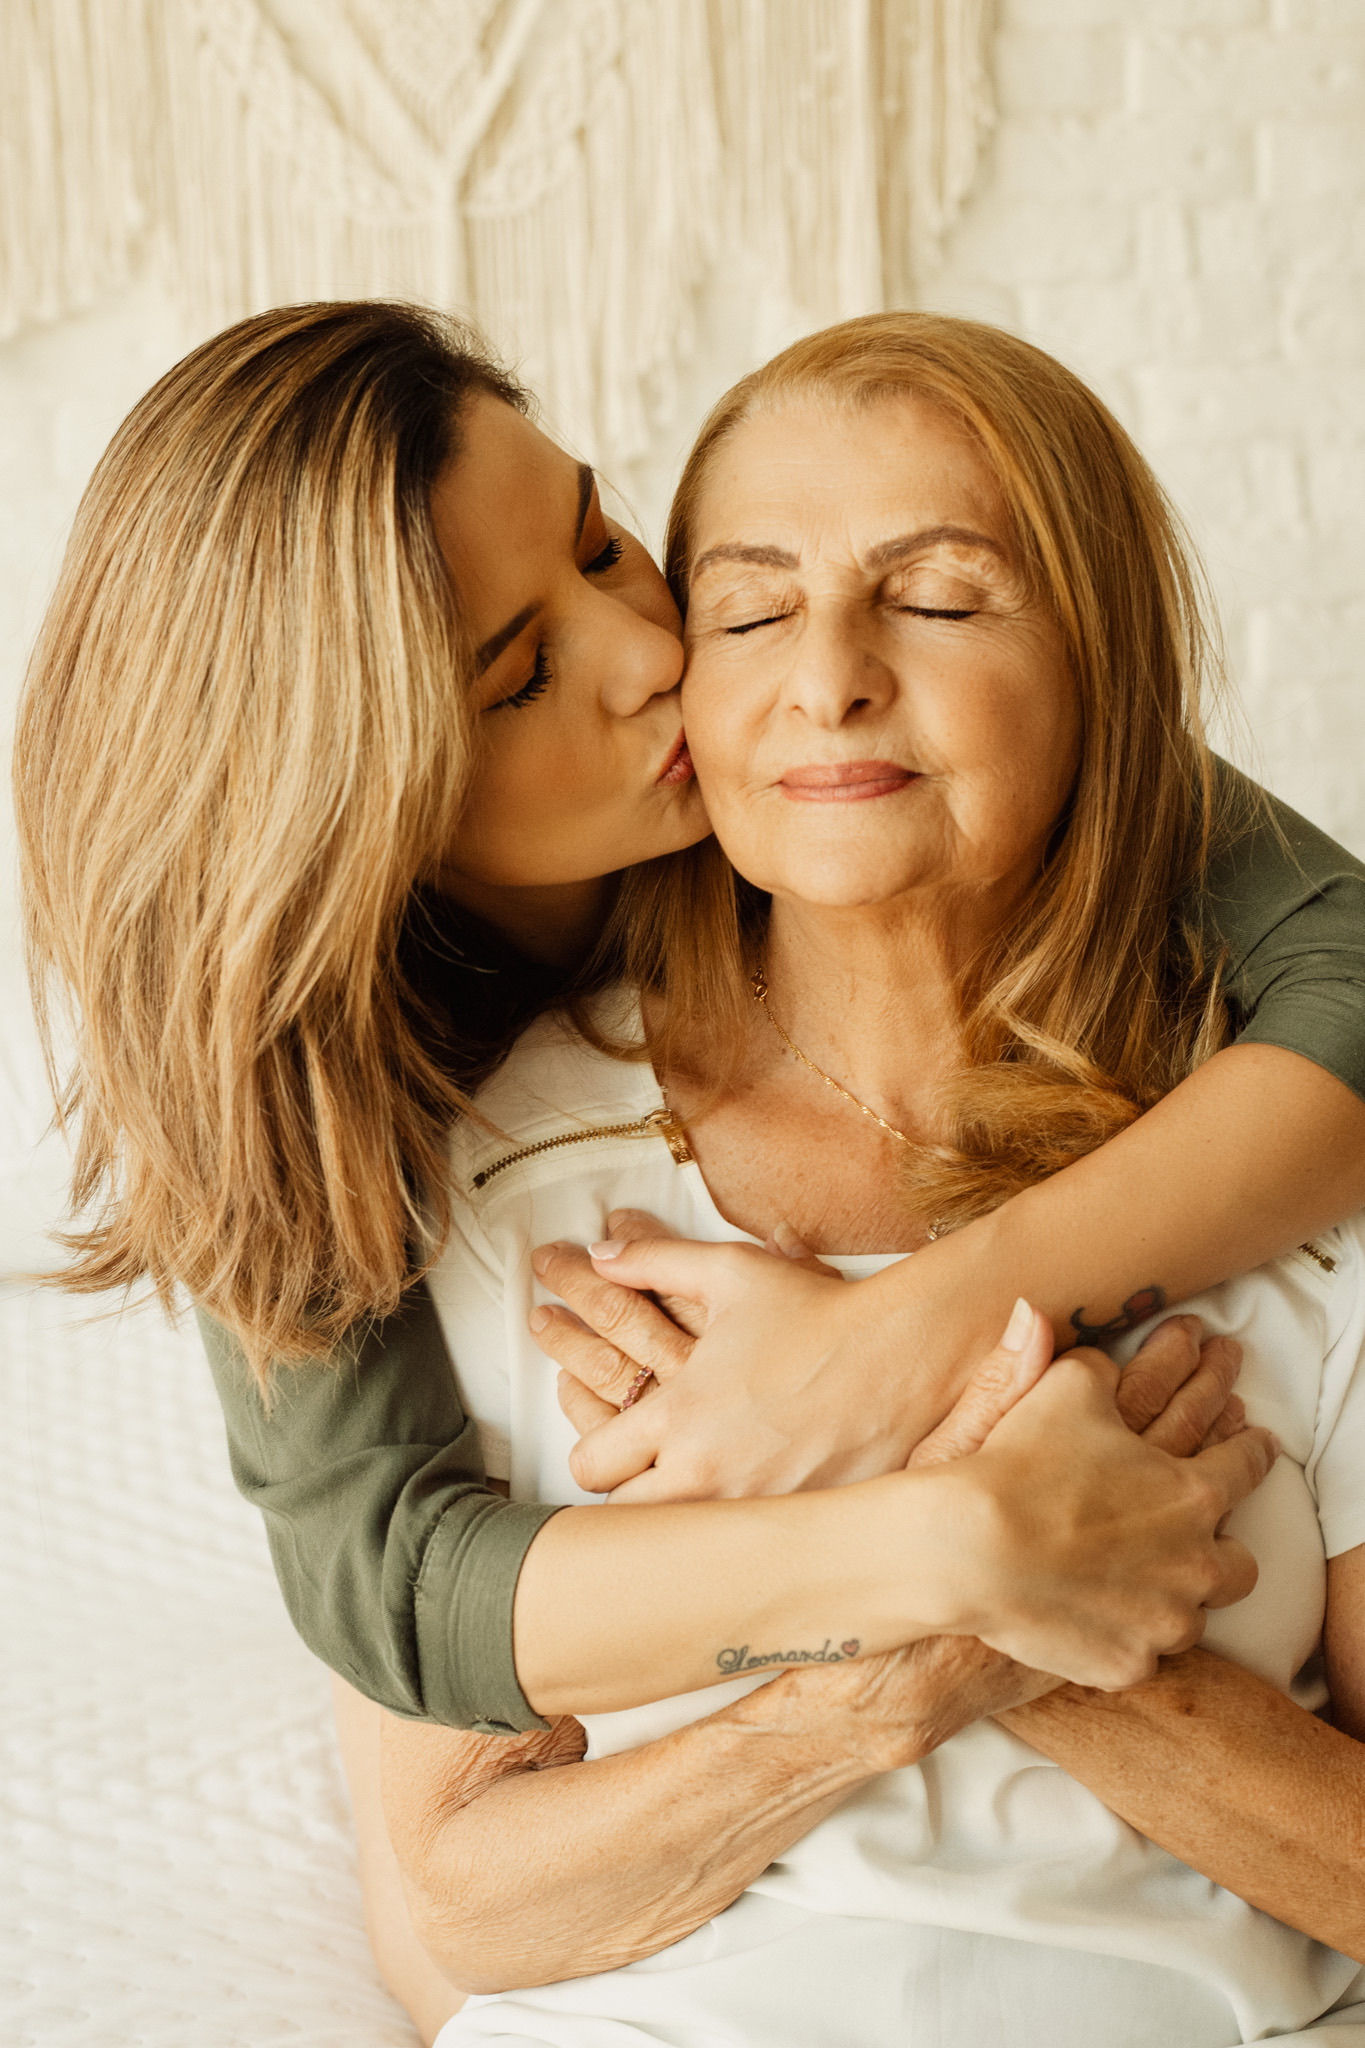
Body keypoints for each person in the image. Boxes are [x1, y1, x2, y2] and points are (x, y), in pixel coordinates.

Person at [13, 302, 1365, 1733]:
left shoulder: (827, 775)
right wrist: (938, 1546)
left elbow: (1345, 967)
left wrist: (891, 1343)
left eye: (600, 544)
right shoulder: (294, 1077)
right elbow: (395, 1595)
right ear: (351, 804)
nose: (650, 655)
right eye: (522, 672)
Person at [348, 312, 1365, 2048]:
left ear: (1103, 670)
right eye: (746, 608)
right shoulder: (493, 1176)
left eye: (942, 597)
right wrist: (959, 1590)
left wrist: (955, 1516)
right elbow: (459, 1916)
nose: (828, 673)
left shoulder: (1292, 1160)